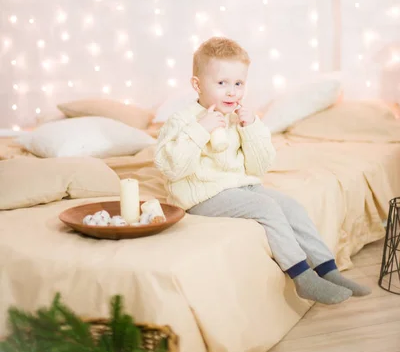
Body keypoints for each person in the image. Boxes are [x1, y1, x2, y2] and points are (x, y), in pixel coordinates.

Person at [155, 37, 371, 304]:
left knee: (291, 207)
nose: (232, 92)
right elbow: (171, 167)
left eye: (238, 83)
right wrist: (201, 130)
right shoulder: (183, 120)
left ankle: (328, 270)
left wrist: (252, 128)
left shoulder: (236, 117)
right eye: (222, 83)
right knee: (267, 209)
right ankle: (303, 277)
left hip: (239, 185)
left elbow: (259, 167)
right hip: (203, 195)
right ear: (197, 85)